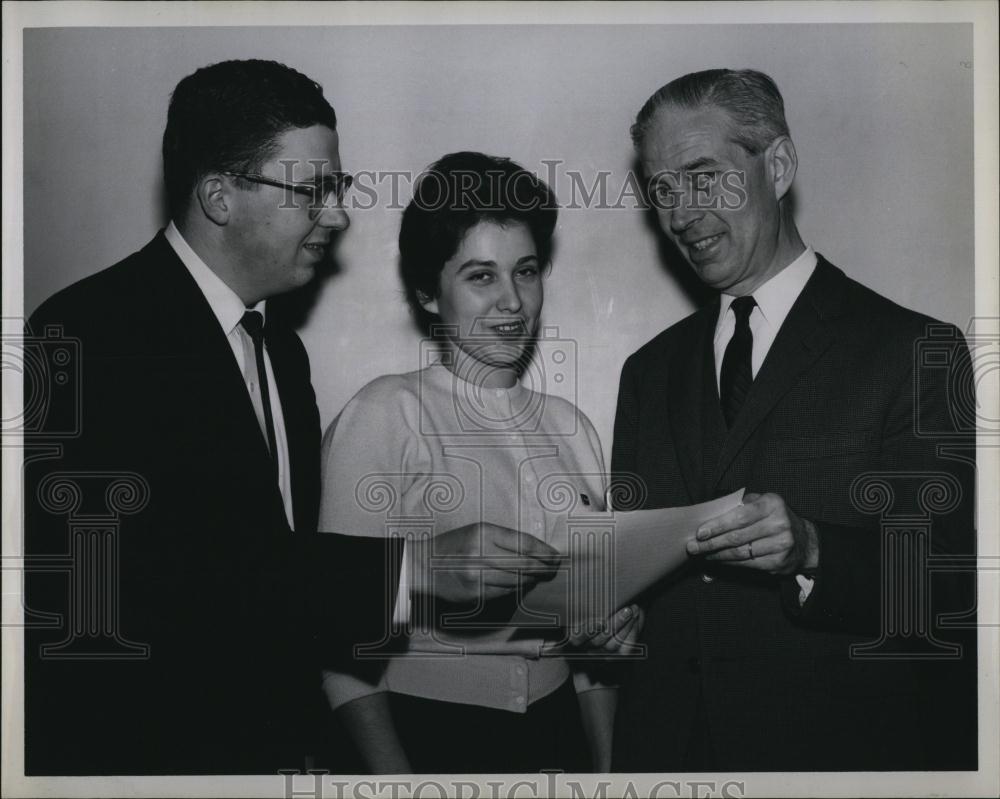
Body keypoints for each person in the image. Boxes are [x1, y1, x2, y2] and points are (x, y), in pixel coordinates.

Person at [23, 61, 559, 776]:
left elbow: (280, 566)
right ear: (219, 196)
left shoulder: (279, 346)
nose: (336, 215)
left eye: (337, 189)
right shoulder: (87, 332)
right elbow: (149, 580)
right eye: (312, 191)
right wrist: (416, 566)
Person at [610, 69, 977, 771]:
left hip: (831, 759)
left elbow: (947, 585)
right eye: (662, 190)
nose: (681, 214)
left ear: (777, 167)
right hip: (665, 757)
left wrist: (813, 548)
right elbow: (636, 579)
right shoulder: (646, 371)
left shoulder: (911, 349)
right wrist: (610, 619)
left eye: (703, 177)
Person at [318, 152, 641, 774]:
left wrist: (605, 771)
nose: (512, 301)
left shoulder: (573, 428)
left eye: (526, 271)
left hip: (559, 737)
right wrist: (398, 785)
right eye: (481, 276)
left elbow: (591, 656)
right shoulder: (386, 411)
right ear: (427, 293)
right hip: (427, 736)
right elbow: (339, 644)